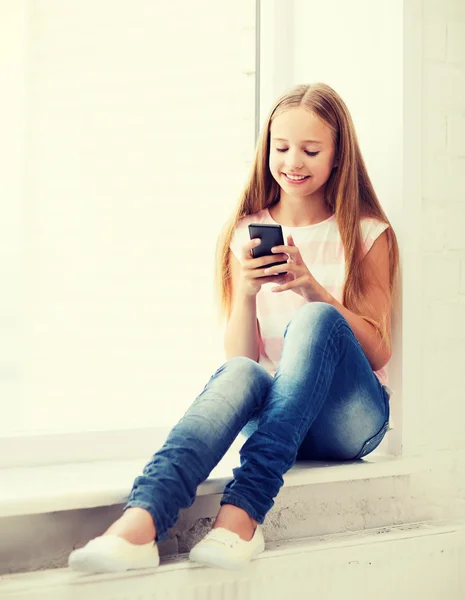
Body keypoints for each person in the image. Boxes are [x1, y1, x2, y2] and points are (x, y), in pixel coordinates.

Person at [68, 82, 399, 574]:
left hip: (346, 420)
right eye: (281, 148)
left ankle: (243, 513)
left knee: (315, 318)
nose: (293, 162)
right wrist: (245, 292)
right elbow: (241, 362)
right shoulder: (246, 231)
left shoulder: (367, 233)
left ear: (338, 156)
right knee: (242, 375)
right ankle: (139, 523)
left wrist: (313, 289)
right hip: (276, 423)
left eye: (311, 150)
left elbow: (377, 352)